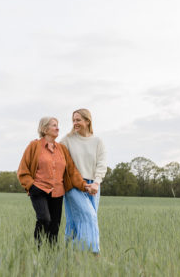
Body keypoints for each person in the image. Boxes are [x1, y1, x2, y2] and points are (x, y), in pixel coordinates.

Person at [17, 117, 91, 246]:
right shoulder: (34, 146)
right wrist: (31, 186)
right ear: (45, 129)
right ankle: (38, 250)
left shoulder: (61, 149)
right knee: (44, 219)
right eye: (54, 125)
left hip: (57, 192)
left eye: (58, 125)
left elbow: (72, 171)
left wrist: (84, 185)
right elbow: (23, 170)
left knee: (54, 227)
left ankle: (50, 256)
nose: (58, 128)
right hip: (38, 189)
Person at [61, 109, 106, 254]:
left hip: (94, 186)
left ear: (88, 121)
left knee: (76, 220)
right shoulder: (67, 140)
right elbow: (55, 153)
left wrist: (96, 182)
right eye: (73, 120)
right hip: (74, 186)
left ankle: (71, 253)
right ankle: (94, 253)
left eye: (78, 120)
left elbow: (102, 163)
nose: (75, 123)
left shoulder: (98, 141)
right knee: (89, 217)